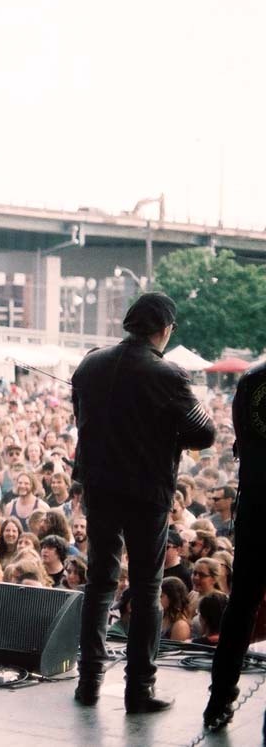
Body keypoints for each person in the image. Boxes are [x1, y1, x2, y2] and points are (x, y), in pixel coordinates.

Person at [71, 292, 215, 713]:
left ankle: (88, 681)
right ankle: (140, 688)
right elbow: (204, 434)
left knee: (99, 583)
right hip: (145, 491)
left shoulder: (91, 362)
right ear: (165, 329)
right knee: (148, 587)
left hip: (98, 485)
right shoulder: (167, 374)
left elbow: (81, 413)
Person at [205, 358, 266, 730]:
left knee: (241, 607)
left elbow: (242, 445)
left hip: (256, 508)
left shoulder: (250, 380)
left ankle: (219, 701)